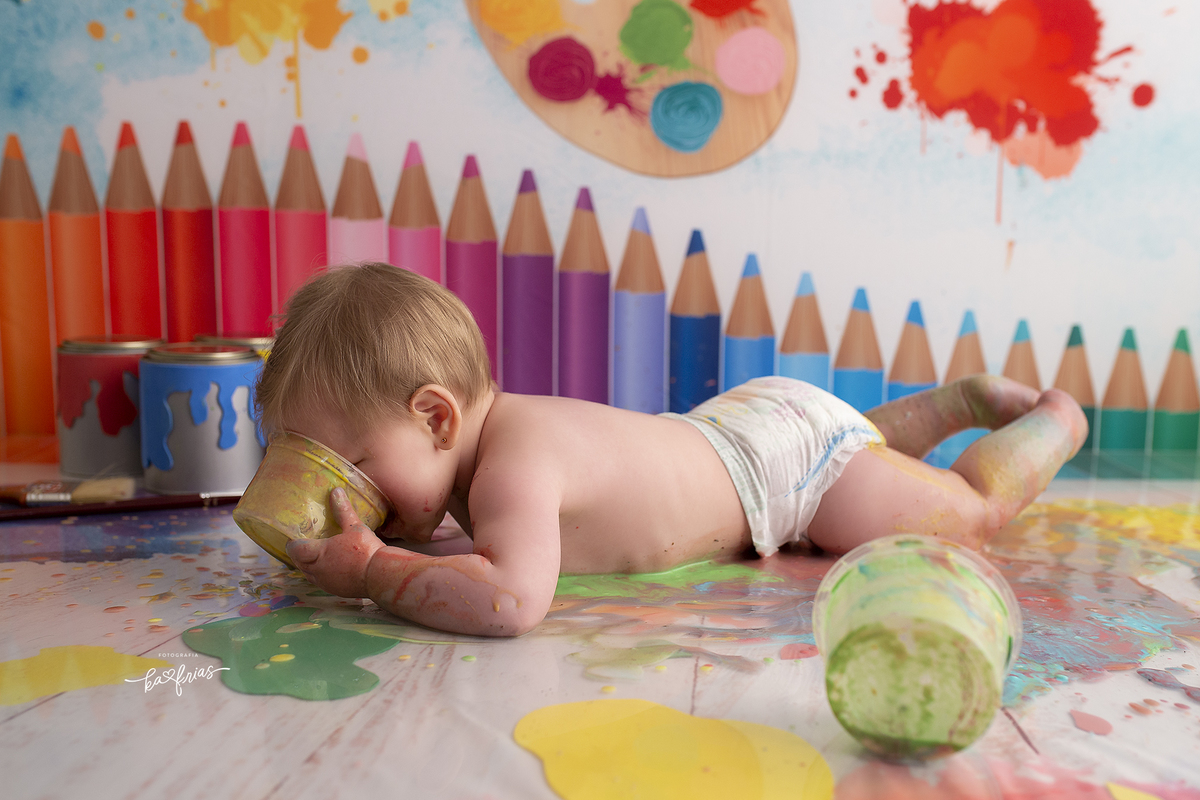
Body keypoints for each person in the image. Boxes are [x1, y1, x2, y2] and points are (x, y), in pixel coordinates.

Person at [256, 263, 1087, 637]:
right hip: (745, 426)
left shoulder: (516, 462)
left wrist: (370, 572)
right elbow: (459, 550)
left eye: (355, 468)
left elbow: (511, 600)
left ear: (438, 418)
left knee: (964, 515)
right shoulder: (468, 461)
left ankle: (1054, 416)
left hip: (785, 471)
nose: (345, 490)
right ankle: (956, 401)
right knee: (859, 442)